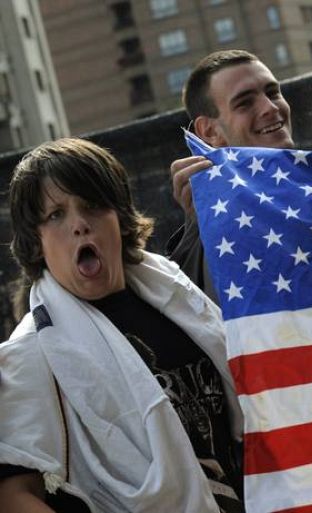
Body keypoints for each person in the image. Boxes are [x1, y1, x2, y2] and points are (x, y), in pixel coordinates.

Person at [0, 138, 244, 512]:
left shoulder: (176, 295)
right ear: (37, 242)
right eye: (56, 215)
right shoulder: (32, 352)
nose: (80, 225)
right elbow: (12, 494)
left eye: (92, 206)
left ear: (119, 217)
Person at [167, 49, 294, 303]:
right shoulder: (204, 238)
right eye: (244, 103)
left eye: (272, 93)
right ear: (210, 131)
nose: (270, 108)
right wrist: (200, 226)